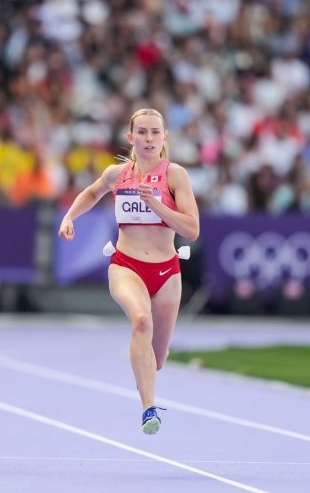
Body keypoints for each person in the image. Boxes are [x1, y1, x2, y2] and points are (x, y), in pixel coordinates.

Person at [58, 108, 200, 434]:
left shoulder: (175, 175)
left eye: (155, 133)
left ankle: (146, 374)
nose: (148, 139)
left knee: (158, 358)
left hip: (167, 272)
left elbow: (192, 230)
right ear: (130, 137)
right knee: (141, 320)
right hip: (126, 265)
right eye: (142, 132)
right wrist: (69, 217)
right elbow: (92, 192)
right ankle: (149, 408)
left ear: (164, 138)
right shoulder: (116, 174)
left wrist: (158, 206)